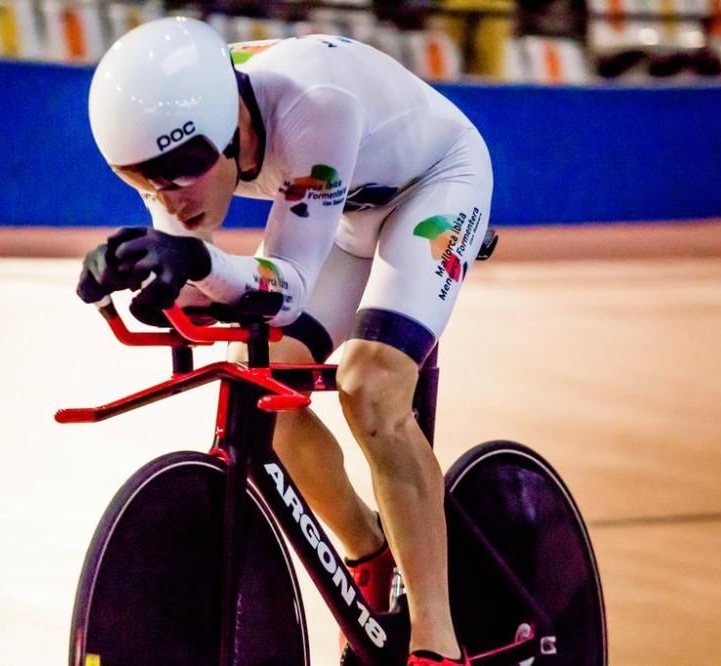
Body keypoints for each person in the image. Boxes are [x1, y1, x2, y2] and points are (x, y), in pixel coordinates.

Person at [77, 16, 493, 666]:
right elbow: (196, 266)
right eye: (144, 181)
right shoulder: (181, 123)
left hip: (431, 186)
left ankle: (437, 640)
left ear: (234, 129)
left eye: (182, 172)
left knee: (370, 387)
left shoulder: (312, 107)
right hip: (344, 209)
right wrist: (138, 274)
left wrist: (193, 267)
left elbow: (287, 285)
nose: (170, 198)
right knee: (256, 375)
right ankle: (369, 552)